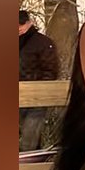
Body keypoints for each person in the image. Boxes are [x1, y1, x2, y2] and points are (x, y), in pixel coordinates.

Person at [19, 10, 58, 152]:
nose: (18, 28)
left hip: (36, 98)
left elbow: (50, 70)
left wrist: (41, 91)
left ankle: (30, 161)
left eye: (21, 24)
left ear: (29, 23)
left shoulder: (43, 43)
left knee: (29, 140)